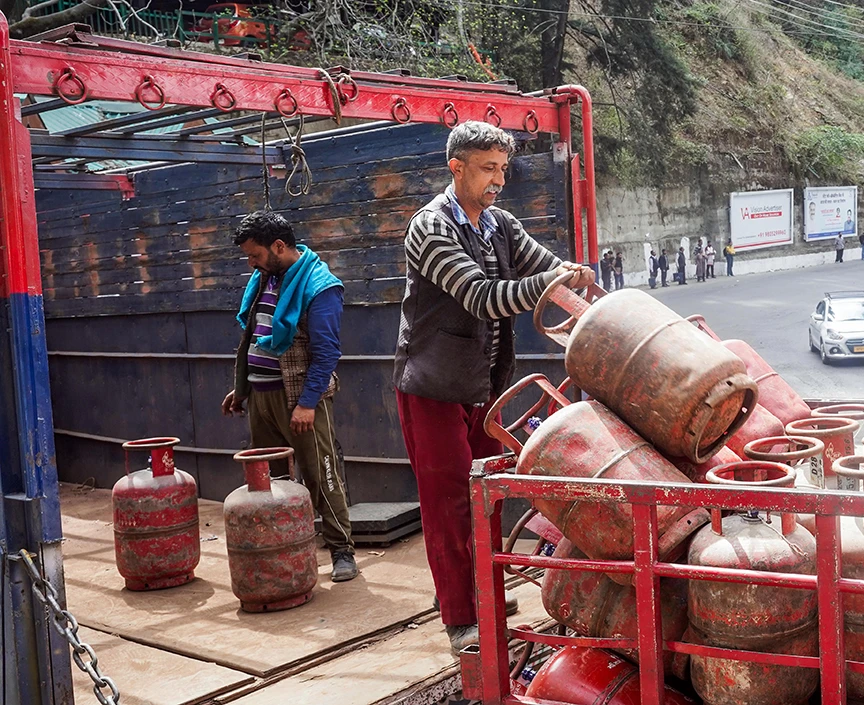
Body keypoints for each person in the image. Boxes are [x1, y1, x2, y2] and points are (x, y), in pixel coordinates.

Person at [391, 121, 594, 654]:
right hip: (432, 387)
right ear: (455, 167)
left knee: (487, 496)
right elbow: (480, 296)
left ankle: (480, 590)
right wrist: (550, 283)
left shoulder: (498, 224)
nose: (498, 180)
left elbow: (546, 268)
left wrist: (577, 279)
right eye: (487, 169)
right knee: (450, 504)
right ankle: (461, 617)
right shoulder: (429, 227)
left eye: (502, 169)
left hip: (483, 387)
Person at [222, 210, 359, 584]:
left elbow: (327, 352)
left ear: (279, 246)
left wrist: (308, 403)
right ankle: (289, 548)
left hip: (299, 400)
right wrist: (243, 386)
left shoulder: (320, 286)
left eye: (255, 255)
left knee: (321, 475)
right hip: (261, 397)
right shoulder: (265, 277)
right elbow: (254, 336)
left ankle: (342, 551)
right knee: (273, 483)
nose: (251, 263)